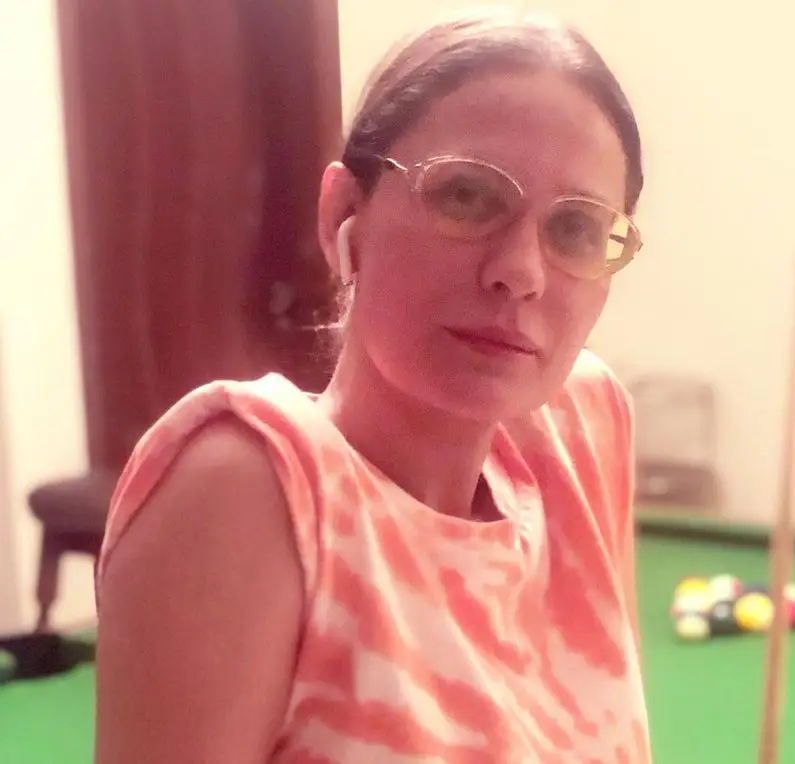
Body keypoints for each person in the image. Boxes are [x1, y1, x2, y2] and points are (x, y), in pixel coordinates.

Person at [94, 7, 649, 763]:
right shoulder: (253, 490)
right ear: (343, 214)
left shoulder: (579, 428)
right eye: (467, 196)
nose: (520, 271)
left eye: (576, 229)